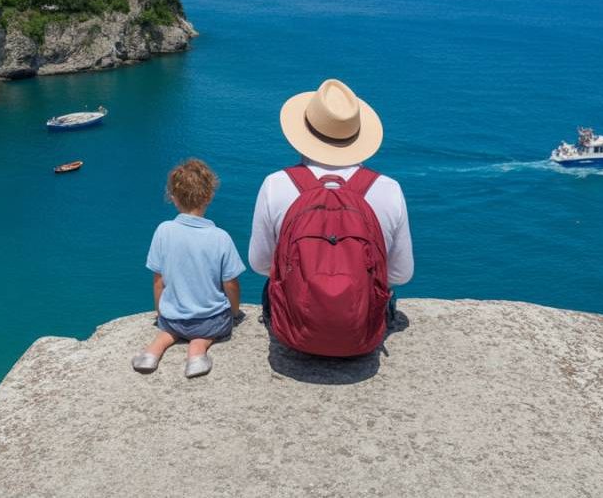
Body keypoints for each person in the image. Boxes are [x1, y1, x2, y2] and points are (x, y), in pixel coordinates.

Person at [249, 79, 414, 354]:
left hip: (293, 332)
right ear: (358, 136)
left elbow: (260, 263)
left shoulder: (275, 185)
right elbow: (401, 273)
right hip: (362, 335)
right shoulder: (389, 189)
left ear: (302, 132)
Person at [132, 159, 245, 379]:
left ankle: (152, 352)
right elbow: (230, 283)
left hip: (173, 318)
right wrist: (233, 312)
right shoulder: (220, 237)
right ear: (209, 196)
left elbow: (158, 280)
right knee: (204, 334)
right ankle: (197, 350)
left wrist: (161, 312)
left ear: (173, 199)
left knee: (167, 333)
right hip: (211, 321)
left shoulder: (163, 231)